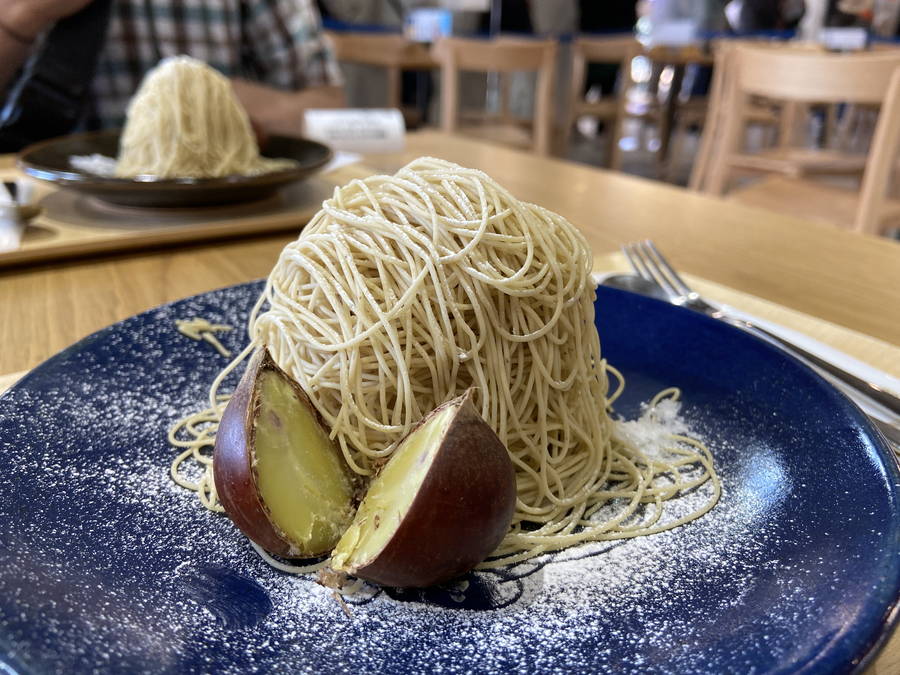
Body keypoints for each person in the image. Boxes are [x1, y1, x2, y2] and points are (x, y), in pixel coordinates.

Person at [0, 0, 344, 138]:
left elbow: (333, 111)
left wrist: (238, 107)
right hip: (51, 225)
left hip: (226, 214)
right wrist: (18, 20)